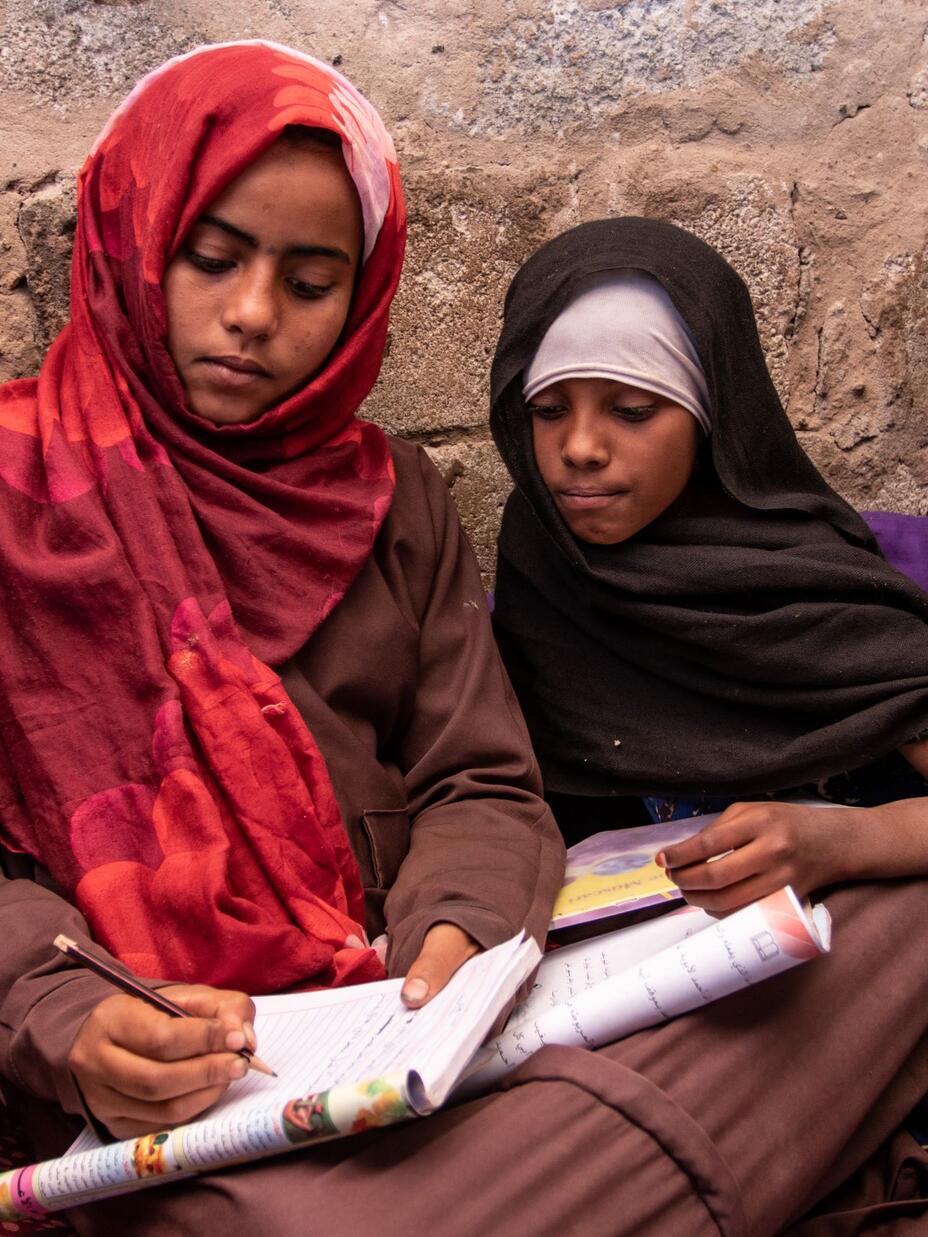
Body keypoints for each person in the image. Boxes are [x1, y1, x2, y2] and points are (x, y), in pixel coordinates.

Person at [0, 40, 570, 1232]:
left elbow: (481, 777)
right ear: (133, 240)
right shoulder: (16, 488)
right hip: (126, 1078)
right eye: (211, 260)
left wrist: (452, 938)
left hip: (382, 1028)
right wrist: (60, 1012)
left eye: (310, 285)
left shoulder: (393, 498)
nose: (251, 316)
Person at [488, 216, 928, 1230]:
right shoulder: (547, 586)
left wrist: (846, 839)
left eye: (634, 409)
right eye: (547, 410)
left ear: (713, 415)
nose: (580, 450)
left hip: (858, 997)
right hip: (656, 1015)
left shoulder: (808, 593)